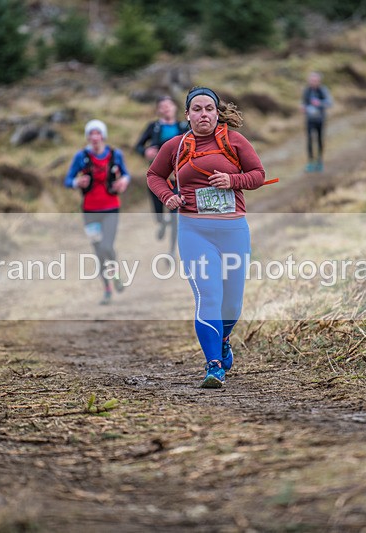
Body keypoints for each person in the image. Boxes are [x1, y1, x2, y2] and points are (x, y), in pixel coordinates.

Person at [147, 86, 266, 388]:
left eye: (209, 109)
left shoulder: (234, 141)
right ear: (187, 114)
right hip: (193, 230)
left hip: (233, 230)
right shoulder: (175, 145)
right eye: (197, 109)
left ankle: (224, 338)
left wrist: (232, 180)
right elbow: (154, 176)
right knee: (208, 296)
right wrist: (167, 196)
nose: (203, 114)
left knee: (233, 305)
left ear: (216, 112)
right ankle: (213, 365)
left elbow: (258, 175)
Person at [64, 119, 131, 305]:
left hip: (111, 208)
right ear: (87, 137)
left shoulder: (115, 155)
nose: (94, 137)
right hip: (89, 211)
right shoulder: (81, 157)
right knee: (97, 251)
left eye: (97, 133)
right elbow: (67, 180)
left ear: (103, 136)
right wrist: (77, 182)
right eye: (91, 134)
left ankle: (116, 274)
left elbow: (126, 174)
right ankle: (107, 289)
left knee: (106, 247)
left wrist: (123, 181)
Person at [134, 95, 190, 255]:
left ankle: (172, 251)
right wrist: (145, 151)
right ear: (158, 109)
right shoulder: (153, 127)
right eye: (162, 106)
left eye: (169, 105)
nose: (166, 108)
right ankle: (161, 223)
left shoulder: (183, 126)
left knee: (175, 216)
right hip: (158, 178)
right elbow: (138, 146)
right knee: (159, 212)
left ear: (175, 108)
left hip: (177, 179)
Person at [301, 71, 333, 172]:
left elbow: (330, 103)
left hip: (320, 119)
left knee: (319, 139)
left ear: (319, 81)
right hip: (309, 120)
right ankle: (310, 162)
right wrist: (303, 108)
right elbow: (303, 103)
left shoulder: (323, 90)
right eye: (311, 80)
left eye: (315, 80)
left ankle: (319, 161)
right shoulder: (307, 91)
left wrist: (319, 103)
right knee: (310, 140)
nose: (313, 82)